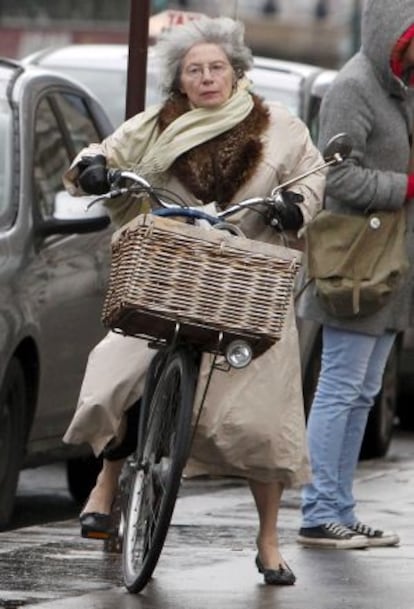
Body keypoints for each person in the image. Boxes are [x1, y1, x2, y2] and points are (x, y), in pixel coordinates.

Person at [62, 16, 326, 585]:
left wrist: (295, 209)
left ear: (237, 72)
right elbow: (102, 151)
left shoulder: (281, 123)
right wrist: (94, 171)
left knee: (267, 416)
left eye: (217, 68)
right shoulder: (158, 123)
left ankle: (269, 539)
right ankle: (107, 485)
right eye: (194, 70)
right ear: (179, 81)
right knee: (121, 366)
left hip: (249, 278)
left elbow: (310, 177)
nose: (207, 78)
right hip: (172, 268)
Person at [296, 0, 414, 550]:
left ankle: (339, 506)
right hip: (357, 265)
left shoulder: (400, 87)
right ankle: (320, 510)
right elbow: (336, 175)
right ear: (395, 32)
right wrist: (404, 188)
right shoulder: (354, 87)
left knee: (362, 392)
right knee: (341, 389)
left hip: (389, 267)